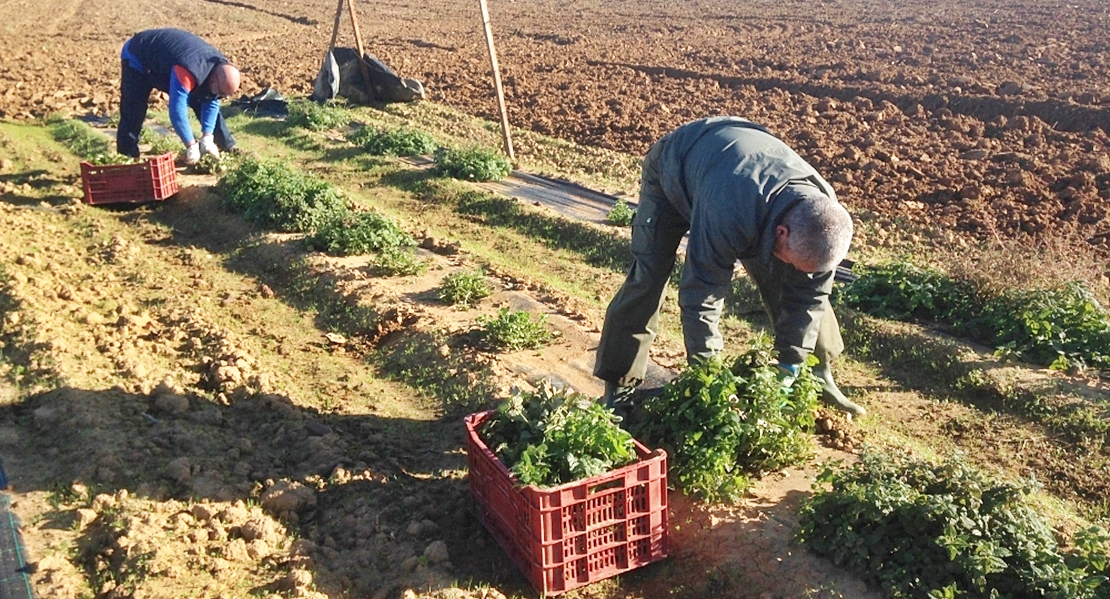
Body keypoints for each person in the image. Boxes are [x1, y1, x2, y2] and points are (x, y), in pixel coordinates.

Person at [593, 116, 865, 416]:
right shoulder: (729, 209)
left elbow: (812, 296)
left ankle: (817, 375)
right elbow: (702, 293)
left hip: (741, 177)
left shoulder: (823, 217)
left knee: (796, 281)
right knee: (649, 275)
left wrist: (790, 365)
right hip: (676, 170)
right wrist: (711, 378)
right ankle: (619, 385)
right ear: (781, 234)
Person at [117, 28, 241, 164]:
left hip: (170, 61)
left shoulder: (219, 67)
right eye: (221, 92)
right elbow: (177, 110)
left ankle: (227, 146)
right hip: (139, 57)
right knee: (134, 109)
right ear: (213, 79)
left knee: (204, 96)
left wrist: (208, 136)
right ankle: (127, 157)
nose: (221, 96)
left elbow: (211, 100)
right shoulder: (187, 71)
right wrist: (191, 145)